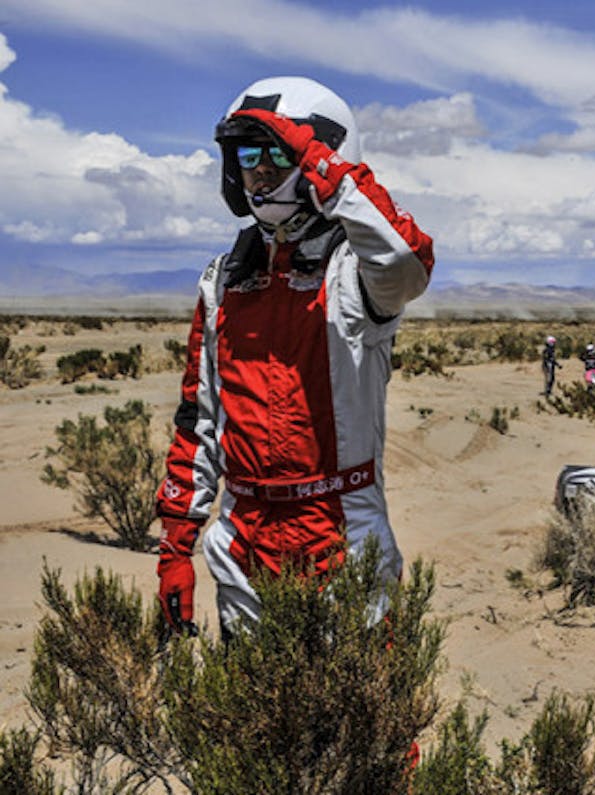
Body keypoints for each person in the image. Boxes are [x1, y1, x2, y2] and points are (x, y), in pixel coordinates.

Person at [154, 76, 435, 636]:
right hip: (243, 531)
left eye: (276, 153)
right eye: (246, 154)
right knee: (250, 715)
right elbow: (199, 417)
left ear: (319, 156)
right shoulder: (223, 280)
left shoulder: (358, 272)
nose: (258, 169)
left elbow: (410, 260)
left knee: (369, 714)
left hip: (341, 525)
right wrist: (176, 546)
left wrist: (326, 172)